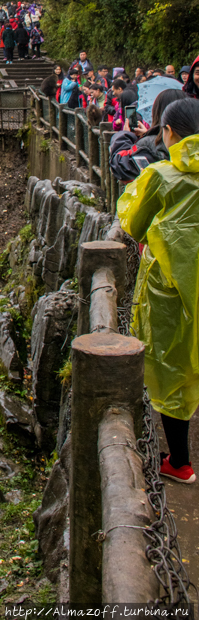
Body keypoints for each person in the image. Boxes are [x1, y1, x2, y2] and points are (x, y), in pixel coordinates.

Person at [118, 97, 199, 483]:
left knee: (172, 371)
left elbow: (132, 222)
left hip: (171, 293)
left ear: (167, 133)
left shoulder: (163, 176)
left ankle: (179, 463)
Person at [109, 88, 186, 183]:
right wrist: (148, 133)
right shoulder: (189, 144)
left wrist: (125, 135)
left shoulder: (148, 145)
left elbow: (121, 166)